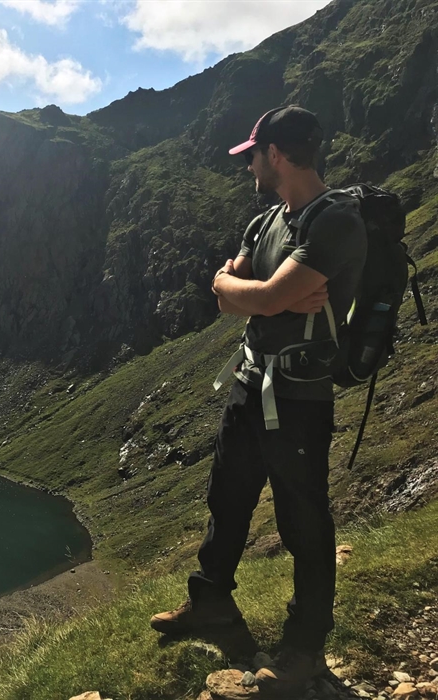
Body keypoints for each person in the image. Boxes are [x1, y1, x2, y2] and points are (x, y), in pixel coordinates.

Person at [149, 106, 367, 694]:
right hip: (250, 385)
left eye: (252, 155)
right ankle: (211, 603)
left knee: (304, 522)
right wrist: (245, 292)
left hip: (298, 396)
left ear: (275, 153)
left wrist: (252, 293)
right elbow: (231, 295)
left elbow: (263, 297)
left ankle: (304, 649)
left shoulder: (336, 222)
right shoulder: (267, 221)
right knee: (228, 497)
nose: (248, 166)